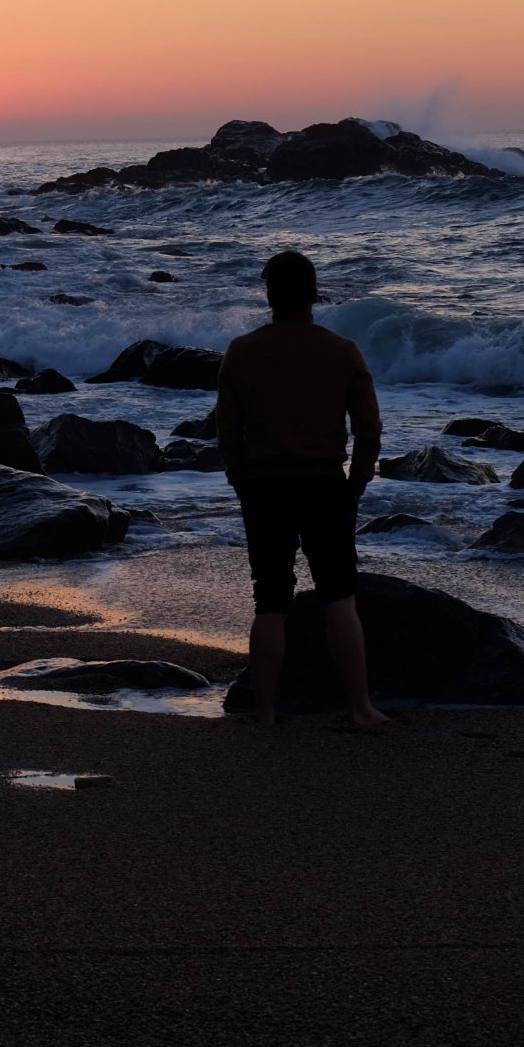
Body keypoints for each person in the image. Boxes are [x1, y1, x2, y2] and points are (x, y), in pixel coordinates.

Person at [216, 250, 388, 731]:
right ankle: (359, 709)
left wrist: (239, 479)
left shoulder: (242, 351)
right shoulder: (342, 350)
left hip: (265, 487)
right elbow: (368, 428)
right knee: (340, 597)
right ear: (314, 295)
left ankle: (265, 712)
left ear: (268, 295)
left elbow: (227, 433)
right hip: (325, 484)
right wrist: (358, 479)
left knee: (270, 600)